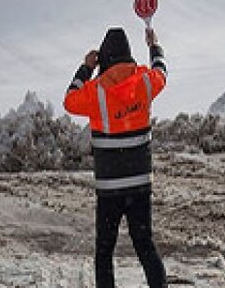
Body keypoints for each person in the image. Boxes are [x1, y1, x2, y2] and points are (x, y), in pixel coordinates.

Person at [64, 27, 168, 288]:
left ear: (104, 57)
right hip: (141, 185)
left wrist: (85, 68)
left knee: (104, 252)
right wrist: (155, 47)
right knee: (145, 246)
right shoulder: (144, 81)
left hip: (110, 189)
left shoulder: (95, 91)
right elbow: (162, 73)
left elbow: (69, 100)